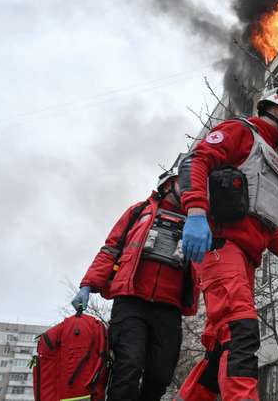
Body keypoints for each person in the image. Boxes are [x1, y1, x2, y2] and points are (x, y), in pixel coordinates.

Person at [175, 86, 278, 401]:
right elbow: (196, 162)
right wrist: (196, 213)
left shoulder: (272, 161)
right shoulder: (239, 131)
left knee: (221, 348)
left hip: (245, 260)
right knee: (241, 331)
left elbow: (265, 226)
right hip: (222, 248)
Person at [72, 168, 198, 401]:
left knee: (161, 375)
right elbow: (111, 248)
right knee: (128, 365)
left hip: (169, 308)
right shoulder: (138, 212)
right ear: (168, 184)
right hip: (131, 303)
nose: (192, 188)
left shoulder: (197, 223)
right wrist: (88, 284)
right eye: (186, 182)